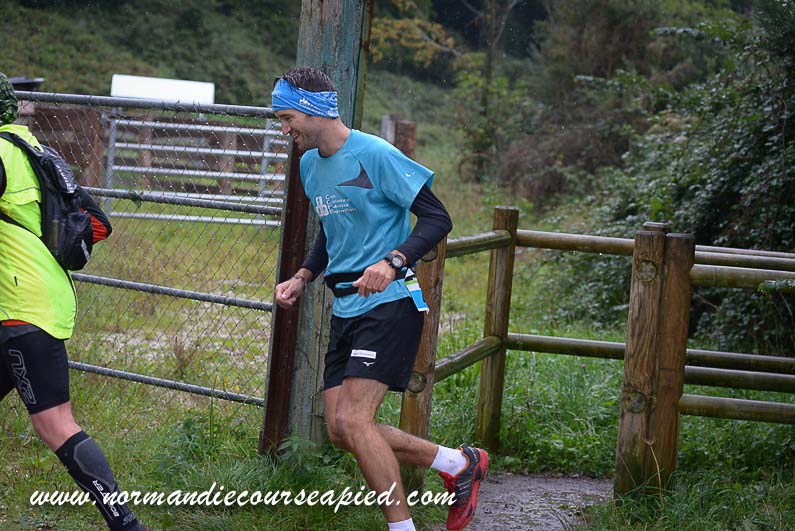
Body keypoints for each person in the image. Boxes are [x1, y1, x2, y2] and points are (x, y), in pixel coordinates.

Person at [272, 66, 489, 531]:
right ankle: (458, 463)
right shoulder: (309, 165)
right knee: (341, 430)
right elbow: (332, 229)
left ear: (314, 111)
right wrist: (304, 275)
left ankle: (401, 527)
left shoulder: (376, 154)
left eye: (287, 118)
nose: (284, 129)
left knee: (355, 420)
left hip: (390, 302)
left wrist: (393, 261)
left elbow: (438, 218)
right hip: (347, 305)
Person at [0, 73, 148, 531]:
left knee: (55, 423)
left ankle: (127, 525)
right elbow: (98, 223)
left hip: (20, 307)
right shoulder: (37, 152)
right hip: (42, 297)